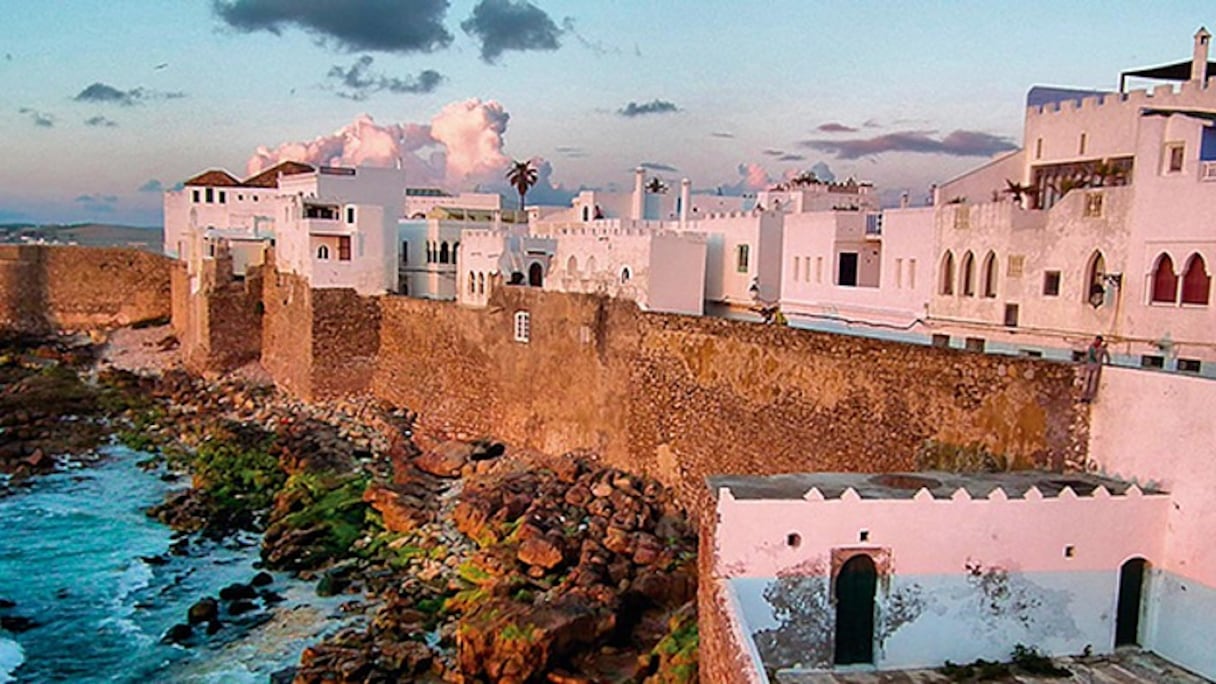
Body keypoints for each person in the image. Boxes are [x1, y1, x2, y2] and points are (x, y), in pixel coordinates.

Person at [1081, 335, 1110, 402]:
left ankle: (1089, 397)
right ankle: (1083, 396)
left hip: (1096, 367)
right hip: (1089, 366)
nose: (1097, 341)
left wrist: (1108, 362)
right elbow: (1087, 355)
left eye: (1099, 341)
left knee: (1093, 382)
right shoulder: (1091, 347)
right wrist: (1083, 361)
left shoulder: (1101, 348)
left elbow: (1107, 354)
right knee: (1086, 381)